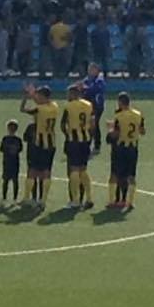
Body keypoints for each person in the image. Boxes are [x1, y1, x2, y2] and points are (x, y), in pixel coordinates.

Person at [21, 83, 61, 211]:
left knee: (33, 171)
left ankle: (27, 198)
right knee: (46, 172)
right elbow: (40, 103)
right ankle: (42, 200)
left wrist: (26, 97)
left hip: (39, 144)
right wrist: (33, 95)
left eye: (39, 95)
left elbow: (23, 109)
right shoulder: (54, 106)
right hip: (51, 143)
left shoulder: (39, 109)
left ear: (43, 96)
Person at [106, 92, 144, 211]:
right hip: (133, 147)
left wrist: (110, 130)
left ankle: (112, 201)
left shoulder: (119, 116)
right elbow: (142, 131)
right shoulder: (138, 115)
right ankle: (129, 202)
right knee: (131, 176)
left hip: (120, 148)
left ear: (120, 103)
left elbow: (116, 133)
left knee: (114, 174)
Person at [60, 83, 96, 212]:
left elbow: (63, 125)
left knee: (74, 170)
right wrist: (90, 138)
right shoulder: (89, 105)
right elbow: (92, 124)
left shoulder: (68, 106)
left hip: (73, 141)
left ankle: (75, 201)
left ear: (74, 94)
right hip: (85, 140)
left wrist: (68, 135)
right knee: (83, 169)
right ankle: (89, 198)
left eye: (69, 93)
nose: (67, 96)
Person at [0, 117, 24, 207]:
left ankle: (4, 198)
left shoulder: (5, 139)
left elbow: (1, 149)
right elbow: (20, 149)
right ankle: (14, 199)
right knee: (15, 180)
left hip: (6, 162)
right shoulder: (18, 140)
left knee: (6, 180)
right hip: (15, 162)